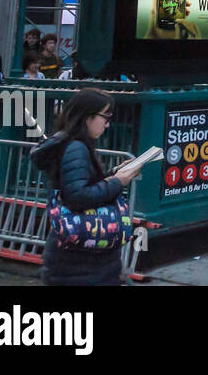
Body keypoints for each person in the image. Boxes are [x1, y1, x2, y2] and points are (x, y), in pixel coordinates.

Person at [30, 88, 138, 286]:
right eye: (105, 117)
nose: (107, 123)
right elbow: (78, 196)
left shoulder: (71, 144)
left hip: (77, 258)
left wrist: (114, 174)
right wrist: (117, 182)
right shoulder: (76, 147)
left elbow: (79, 183)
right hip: (81, 261)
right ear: (87, 116)